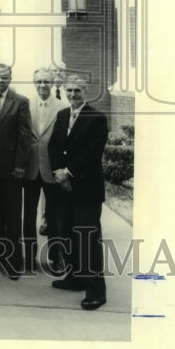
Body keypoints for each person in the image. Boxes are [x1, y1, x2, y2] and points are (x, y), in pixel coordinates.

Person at [47, 79, 109, 310]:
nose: (73, 94)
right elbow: (53, 146)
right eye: (69, 90)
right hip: (63, 188)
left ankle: (96, 292)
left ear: (87, 92)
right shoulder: (63, 115)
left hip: (86, 190)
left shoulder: (97, 118)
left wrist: (68, 172)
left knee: (88, 240)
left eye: (77, 91)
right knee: (67, 235)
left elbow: (92, 152)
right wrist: (57, 172)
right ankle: (75, 278)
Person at [0, 63, 31, 279]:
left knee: (13, 217)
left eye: (4, 77)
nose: (0, 81)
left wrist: (20, 166)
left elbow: (25, 136)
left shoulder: (20, 101)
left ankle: (13, 263)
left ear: (10, 78)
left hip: (12, 169)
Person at [23, 67, 67, 271]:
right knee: (29, 214)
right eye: (39, 81)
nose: (42, 85)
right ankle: (29, 257)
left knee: (54, 214)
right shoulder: (26, 104)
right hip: (30, 168)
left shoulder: (62, 107)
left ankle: (56, 257)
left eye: (46, 82)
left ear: (52, 83)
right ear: (34, 82)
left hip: (52, 168)